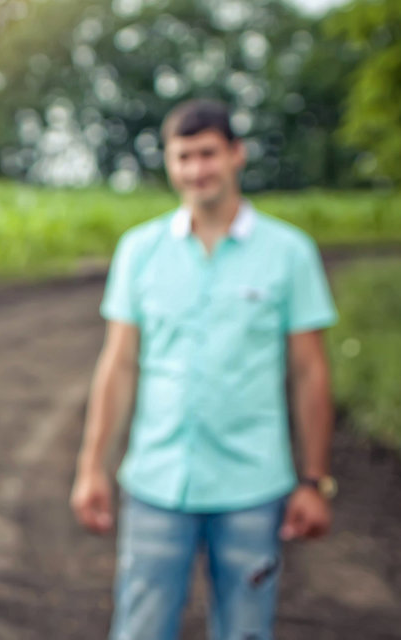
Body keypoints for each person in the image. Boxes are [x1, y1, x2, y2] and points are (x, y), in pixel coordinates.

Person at [69, 98, 338, 640]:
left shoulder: (289, 253)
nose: (196, 170)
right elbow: (119, 366)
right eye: (183, 156)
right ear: (169, 163)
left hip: (252, 486)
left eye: (208, 154)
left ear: (236, 155)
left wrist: (313, 480)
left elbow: (310, 372)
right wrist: (92, 465)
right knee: (140, 629)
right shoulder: (139, 251)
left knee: (244, 631)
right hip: (156, 483)